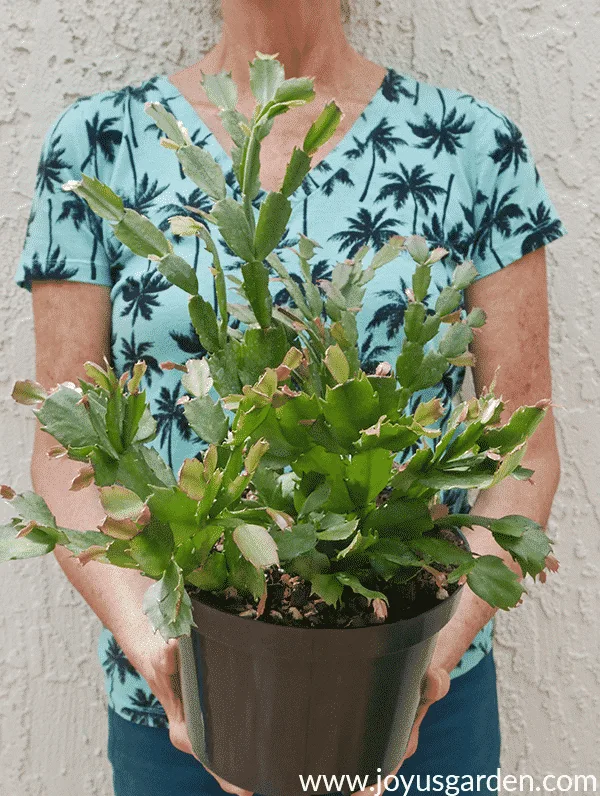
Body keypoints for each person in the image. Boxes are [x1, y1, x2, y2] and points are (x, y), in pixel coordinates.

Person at [13, 1, 566, 794]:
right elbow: (69, 439)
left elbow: (521, 439)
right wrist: (164, 659)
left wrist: (418, 675)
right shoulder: (103, 141)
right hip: (182, 707)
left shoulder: (473, 146)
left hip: (422, 702)